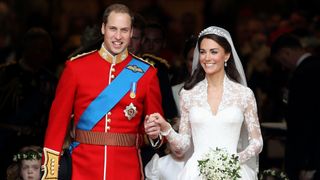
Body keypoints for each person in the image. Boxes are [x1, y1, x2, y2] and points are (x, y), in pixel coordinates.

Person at [41, 4, 163, 180]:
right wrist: (50, 173)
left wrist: (155, 135)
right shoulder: (76, 68)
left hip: (127, 169)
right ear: (103, 28)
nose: (118, 36)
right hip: (83, 168)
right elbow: (57, 125)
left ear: (131, 33)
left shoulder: (147, 74)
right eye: (113, 29)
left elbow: (157, 129)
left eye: (124, 30)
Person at [145, 26, 263, 179]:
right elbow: (183, 145)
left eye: (214, 51)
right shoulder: (188, 94)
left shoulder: (244, 94)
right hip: (196, 172)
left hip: (233, 171)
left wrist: (231, 161)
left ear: (226, 55)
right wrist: (166, 128)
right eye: (202, 52)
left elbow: (257, 142)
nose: (207, 58)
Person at [0, 27, 57, 179]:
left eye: (47, 50)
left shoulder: (50, 81)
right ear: (27, 48)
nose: (43, 54)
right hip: (7, 142)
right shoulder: (5, 75)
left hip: (36, 144)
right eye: (39, 49)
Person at [271, 33, 320, 180]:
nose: (283, 66)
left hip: (309, 154)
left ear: (286, 52)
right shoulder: (315, 66)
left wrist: (307, 163)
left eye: (281, 60)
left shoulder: (303, 73)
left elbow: (306, 119)